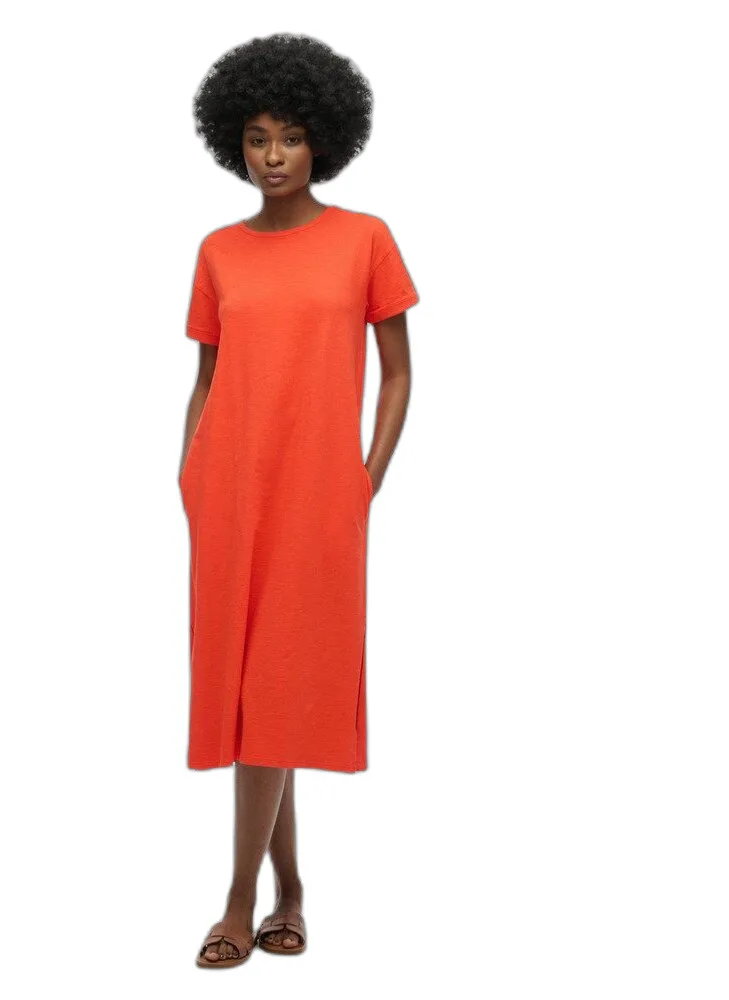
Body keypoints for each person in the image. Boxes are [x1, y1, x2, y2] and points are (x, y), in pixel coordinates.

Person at [180, 34, 420, 969]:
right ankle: (289, 892)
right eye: (255, 137)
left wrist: (366, 476)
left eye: (289, 136)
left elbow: (398, 374)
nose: (271, 155)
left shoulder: (365, 239)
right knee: (250, 700)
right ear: (232, 142)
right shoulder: (217, 251)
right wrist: (189, 471)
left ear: (324, 137)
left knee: (277, 684)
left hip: (320, 499)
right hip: (228, 491)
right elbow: (207, 378)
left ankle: (238, 900)